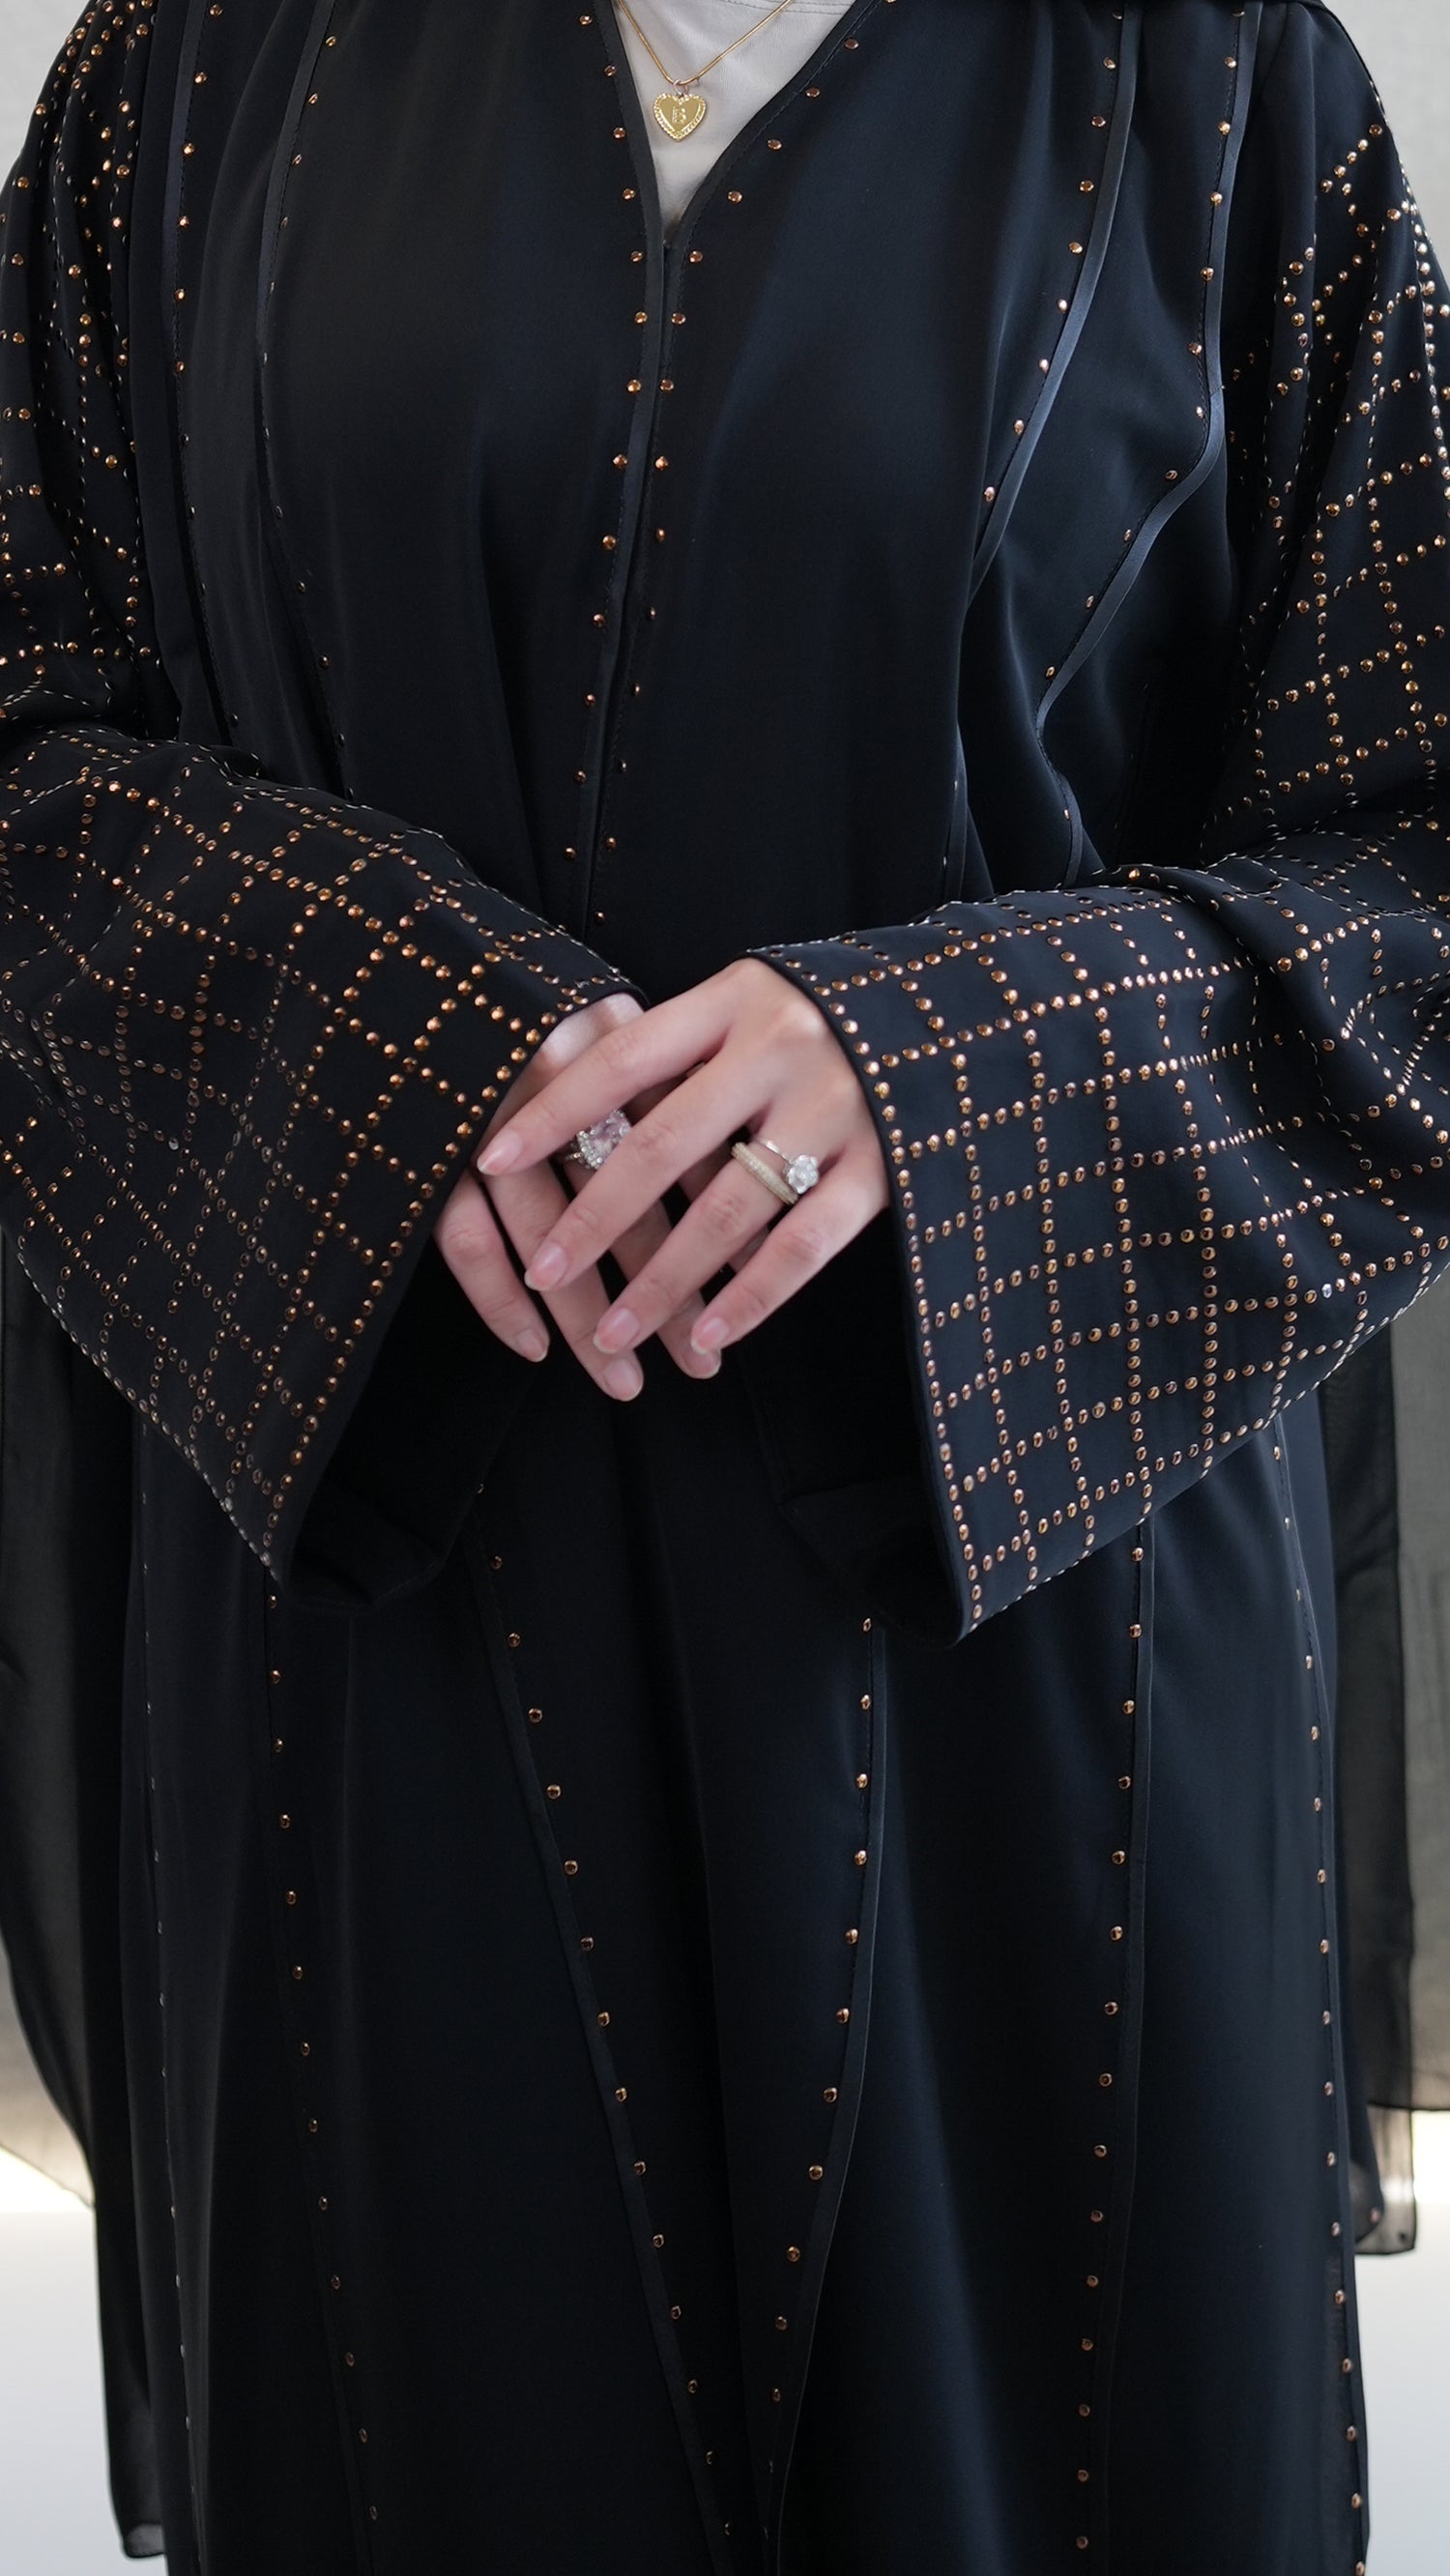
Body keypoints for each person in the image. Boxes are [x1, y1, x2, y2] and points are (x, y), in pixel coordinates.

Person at [0, 0, 1447, 2567]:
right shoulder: (189, 75)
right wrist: (387, 1032)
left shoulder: (1216, 84)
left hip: (1041, 1639)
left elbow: (1414, 873)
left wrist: (937, 1070)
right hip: (380, 1630)